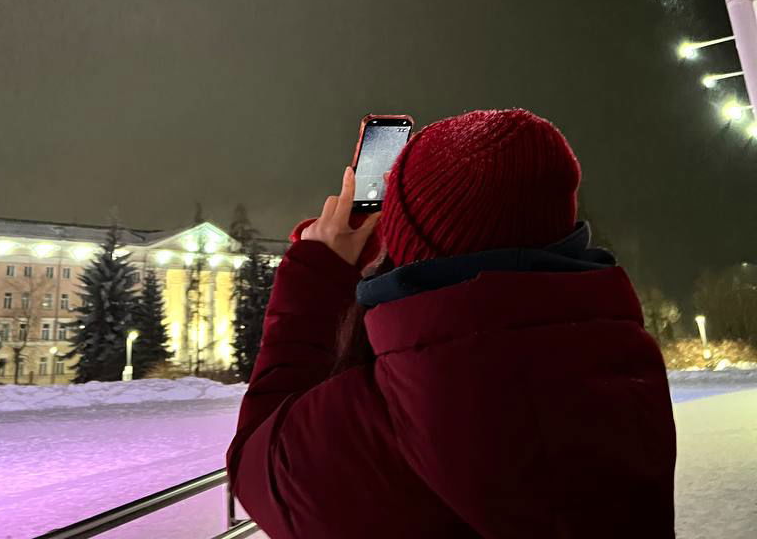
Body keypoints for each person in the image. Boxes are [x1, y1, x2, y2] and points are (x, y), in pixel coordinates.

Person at [228, 108, 676, 538]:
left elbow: (255, 462)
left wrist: (316, 274)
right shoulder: (627, 374)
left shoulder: (376, 420)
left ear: (408, 251)